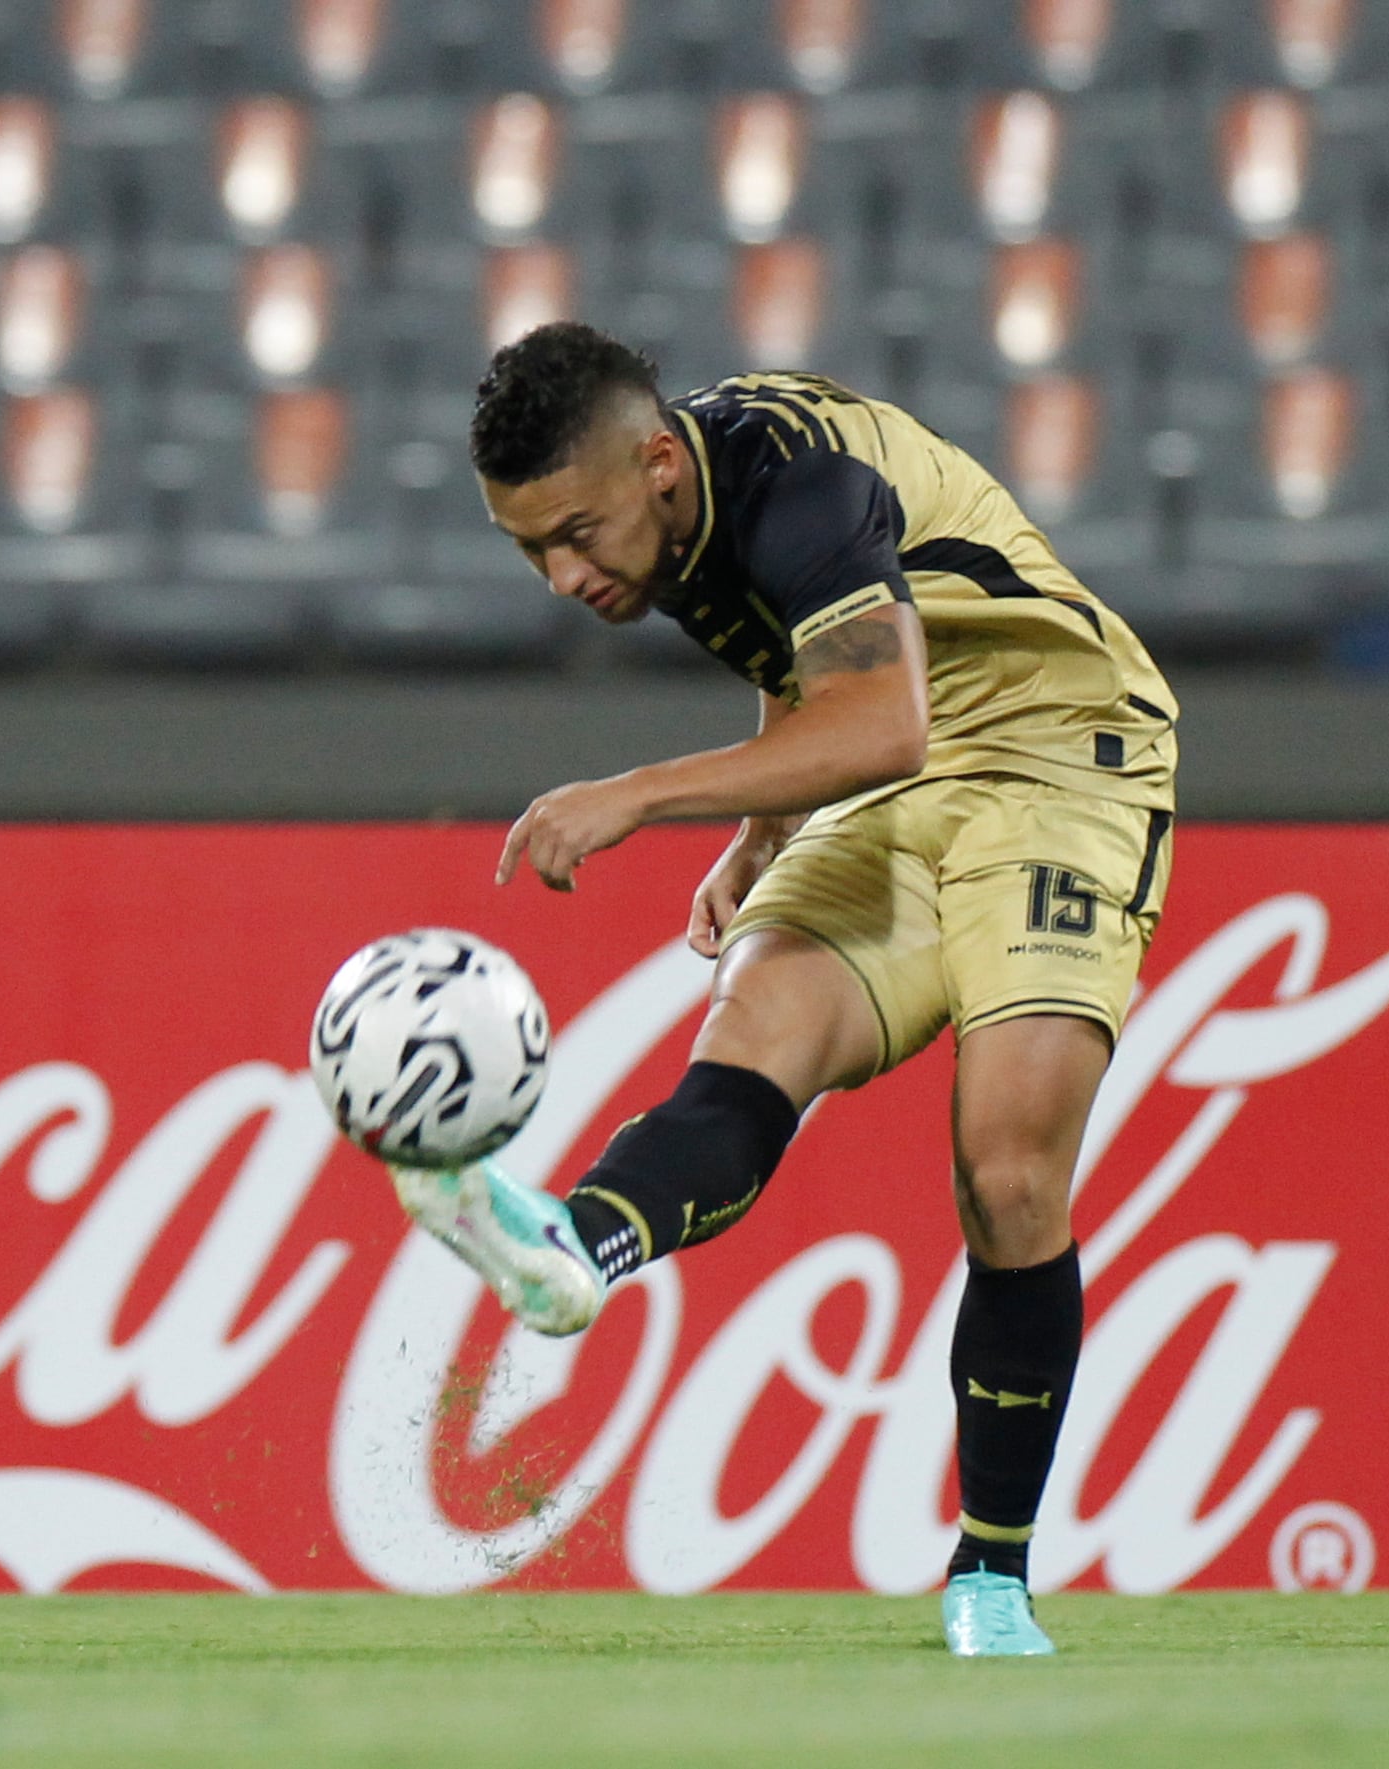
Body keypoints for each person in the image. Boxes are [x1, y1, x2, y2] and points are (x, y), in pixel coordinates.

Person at [393, 322, 1179, 1658]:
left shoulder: (796, 483)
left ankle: (990, 1574)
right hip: (890, 778)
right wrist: (761, 836)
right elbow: (805, 664)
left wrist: (639, 794)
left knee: (1007, 1172)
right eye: (530, 550)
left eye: (574, 534)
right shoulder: (669, 515)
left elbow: (882, 716)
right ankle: (576, 1251)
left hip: (1057, 756)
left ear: (656, 462)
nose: (563, 575)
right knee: (757, 1030)